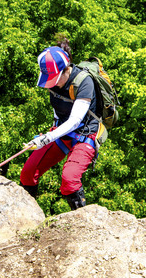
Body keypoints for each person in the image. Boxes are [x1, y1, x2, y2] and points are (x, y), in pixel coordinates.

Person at [20, 37, 100, 210]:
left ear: (66, 71)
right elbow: (59, 113)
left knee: (70, 180)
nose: (52, 84)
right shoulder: (53, 82)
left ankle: (82, 222)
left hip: (86, 134)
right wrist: (47, 135)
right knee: (28, 173)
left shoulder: (84, 82)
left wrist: (48, 137)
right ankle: (28, 218)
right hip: (61, 131)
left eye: (54, 78)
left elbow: (75, 120)